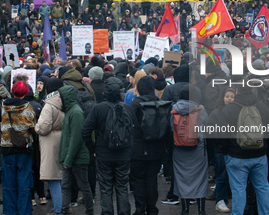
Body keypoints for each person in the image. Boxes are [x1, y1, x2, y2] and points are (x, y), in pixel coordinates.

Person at [218, 80, 269, 215]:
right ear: (252, 90)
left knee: (238, 189)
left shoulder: (229, 109)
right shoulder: (261, 106)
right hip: (259, 154)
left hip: (236, 155)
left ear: (237, 91)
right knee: (262, 187)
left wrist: (225, 151)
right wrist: (264, 145)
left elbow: (221, 134)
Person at [82, 80, 138, 215]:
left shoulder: (98, 108)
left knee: (105, 187)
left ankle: (107, 212)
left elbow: (85, 130)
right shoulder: (127, 108)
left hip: (103, 153)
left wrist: (93, 148)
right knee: (122, 186)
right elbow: (135, 130)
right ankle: (124, 212)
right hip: (123, 153)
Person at [130, 75, 166, 215]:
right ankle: (152, 208)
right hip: (155, 148)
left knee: (138, 180)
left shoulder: (135, 103)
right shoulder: (159, 102)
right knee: (151, 179)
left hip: (138, 148)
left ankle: (140, 208)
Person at [171, 84, 209, 215]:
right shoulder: (201, 109)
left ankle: (185, 209)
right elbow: (206, 126)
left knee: (182, 178)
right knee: (200, 178)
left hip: (179, 150)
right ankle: (201, 209)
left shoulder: (174, 108)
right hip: (198, 149)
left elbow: (171, 128)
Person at [1, 81, 36, 215]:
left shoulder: (4, 106)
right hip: (23, 148)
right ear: (25, 93)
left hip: (6, 147)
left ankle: (10, 212)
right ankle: (24, 211)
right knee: (24, 183)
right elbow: (33, 126)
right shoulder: (27, 108)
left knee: (9, 184)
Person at [58, 85, 94, 215]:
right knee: (66, 186)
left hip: (76, 158)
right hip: (70, 156)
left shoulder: (75, 112)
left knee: (83, 185)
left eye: (59, 97)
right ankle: (64, 211)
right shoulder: (70, 111)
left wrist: (67, 160)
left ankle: (89, 211)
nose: (58, 99)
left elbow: (76, 138)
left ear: (65, 98)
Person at [35, 79, 65, 215]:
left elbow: (44, 126)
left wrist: (36, 127)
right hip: (63, 138)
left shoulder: (48, 105)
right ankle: (65, 205)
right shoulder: (65, 101)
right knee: (63, 176)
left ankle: (59, 208)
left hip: (50, 142)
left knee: (53, 177)